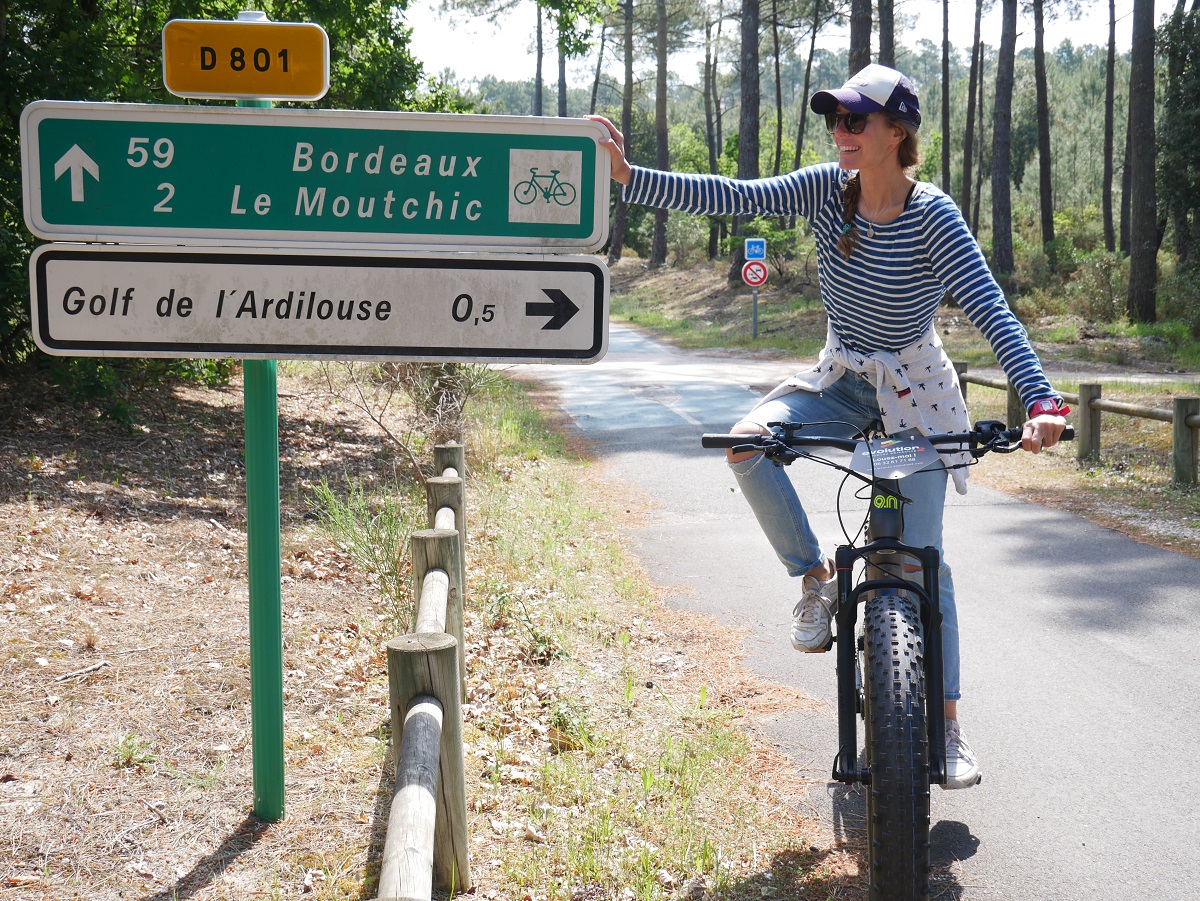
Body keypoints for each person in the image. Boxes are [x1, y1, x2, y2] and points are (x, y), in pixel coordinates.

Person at [587, 64, 1068, 790]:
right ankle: (815, 580)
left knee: (923, 562)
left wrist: (1041, 400)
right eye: (835, 121)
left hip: (915, 396)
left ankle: (949, 728)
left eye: (856, 120)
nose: (841, 133)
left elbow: (992, 310)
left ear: (897, 131)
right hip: (840, 383)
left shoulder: (933, 216)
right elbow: (732, 196)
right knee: (749, 444)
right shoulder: (824, 190)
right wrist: (630, 177)